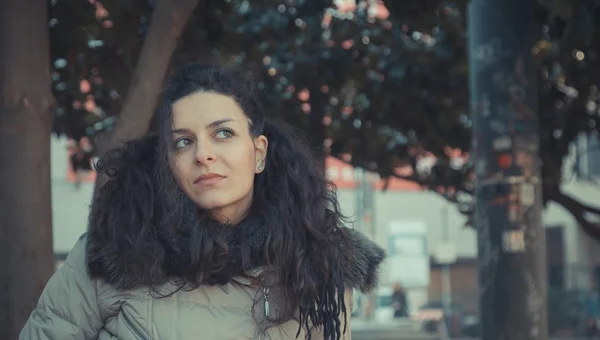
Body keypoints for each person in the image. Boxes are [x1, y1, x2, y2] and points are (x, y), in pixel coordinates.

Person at [20, 63, 385, 340]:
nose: (203, 154)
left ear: (258, 153)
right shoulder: (115, 252)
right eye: (183, 141)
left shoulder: (317, 263)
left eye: (223, 133)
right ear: (168, 161)